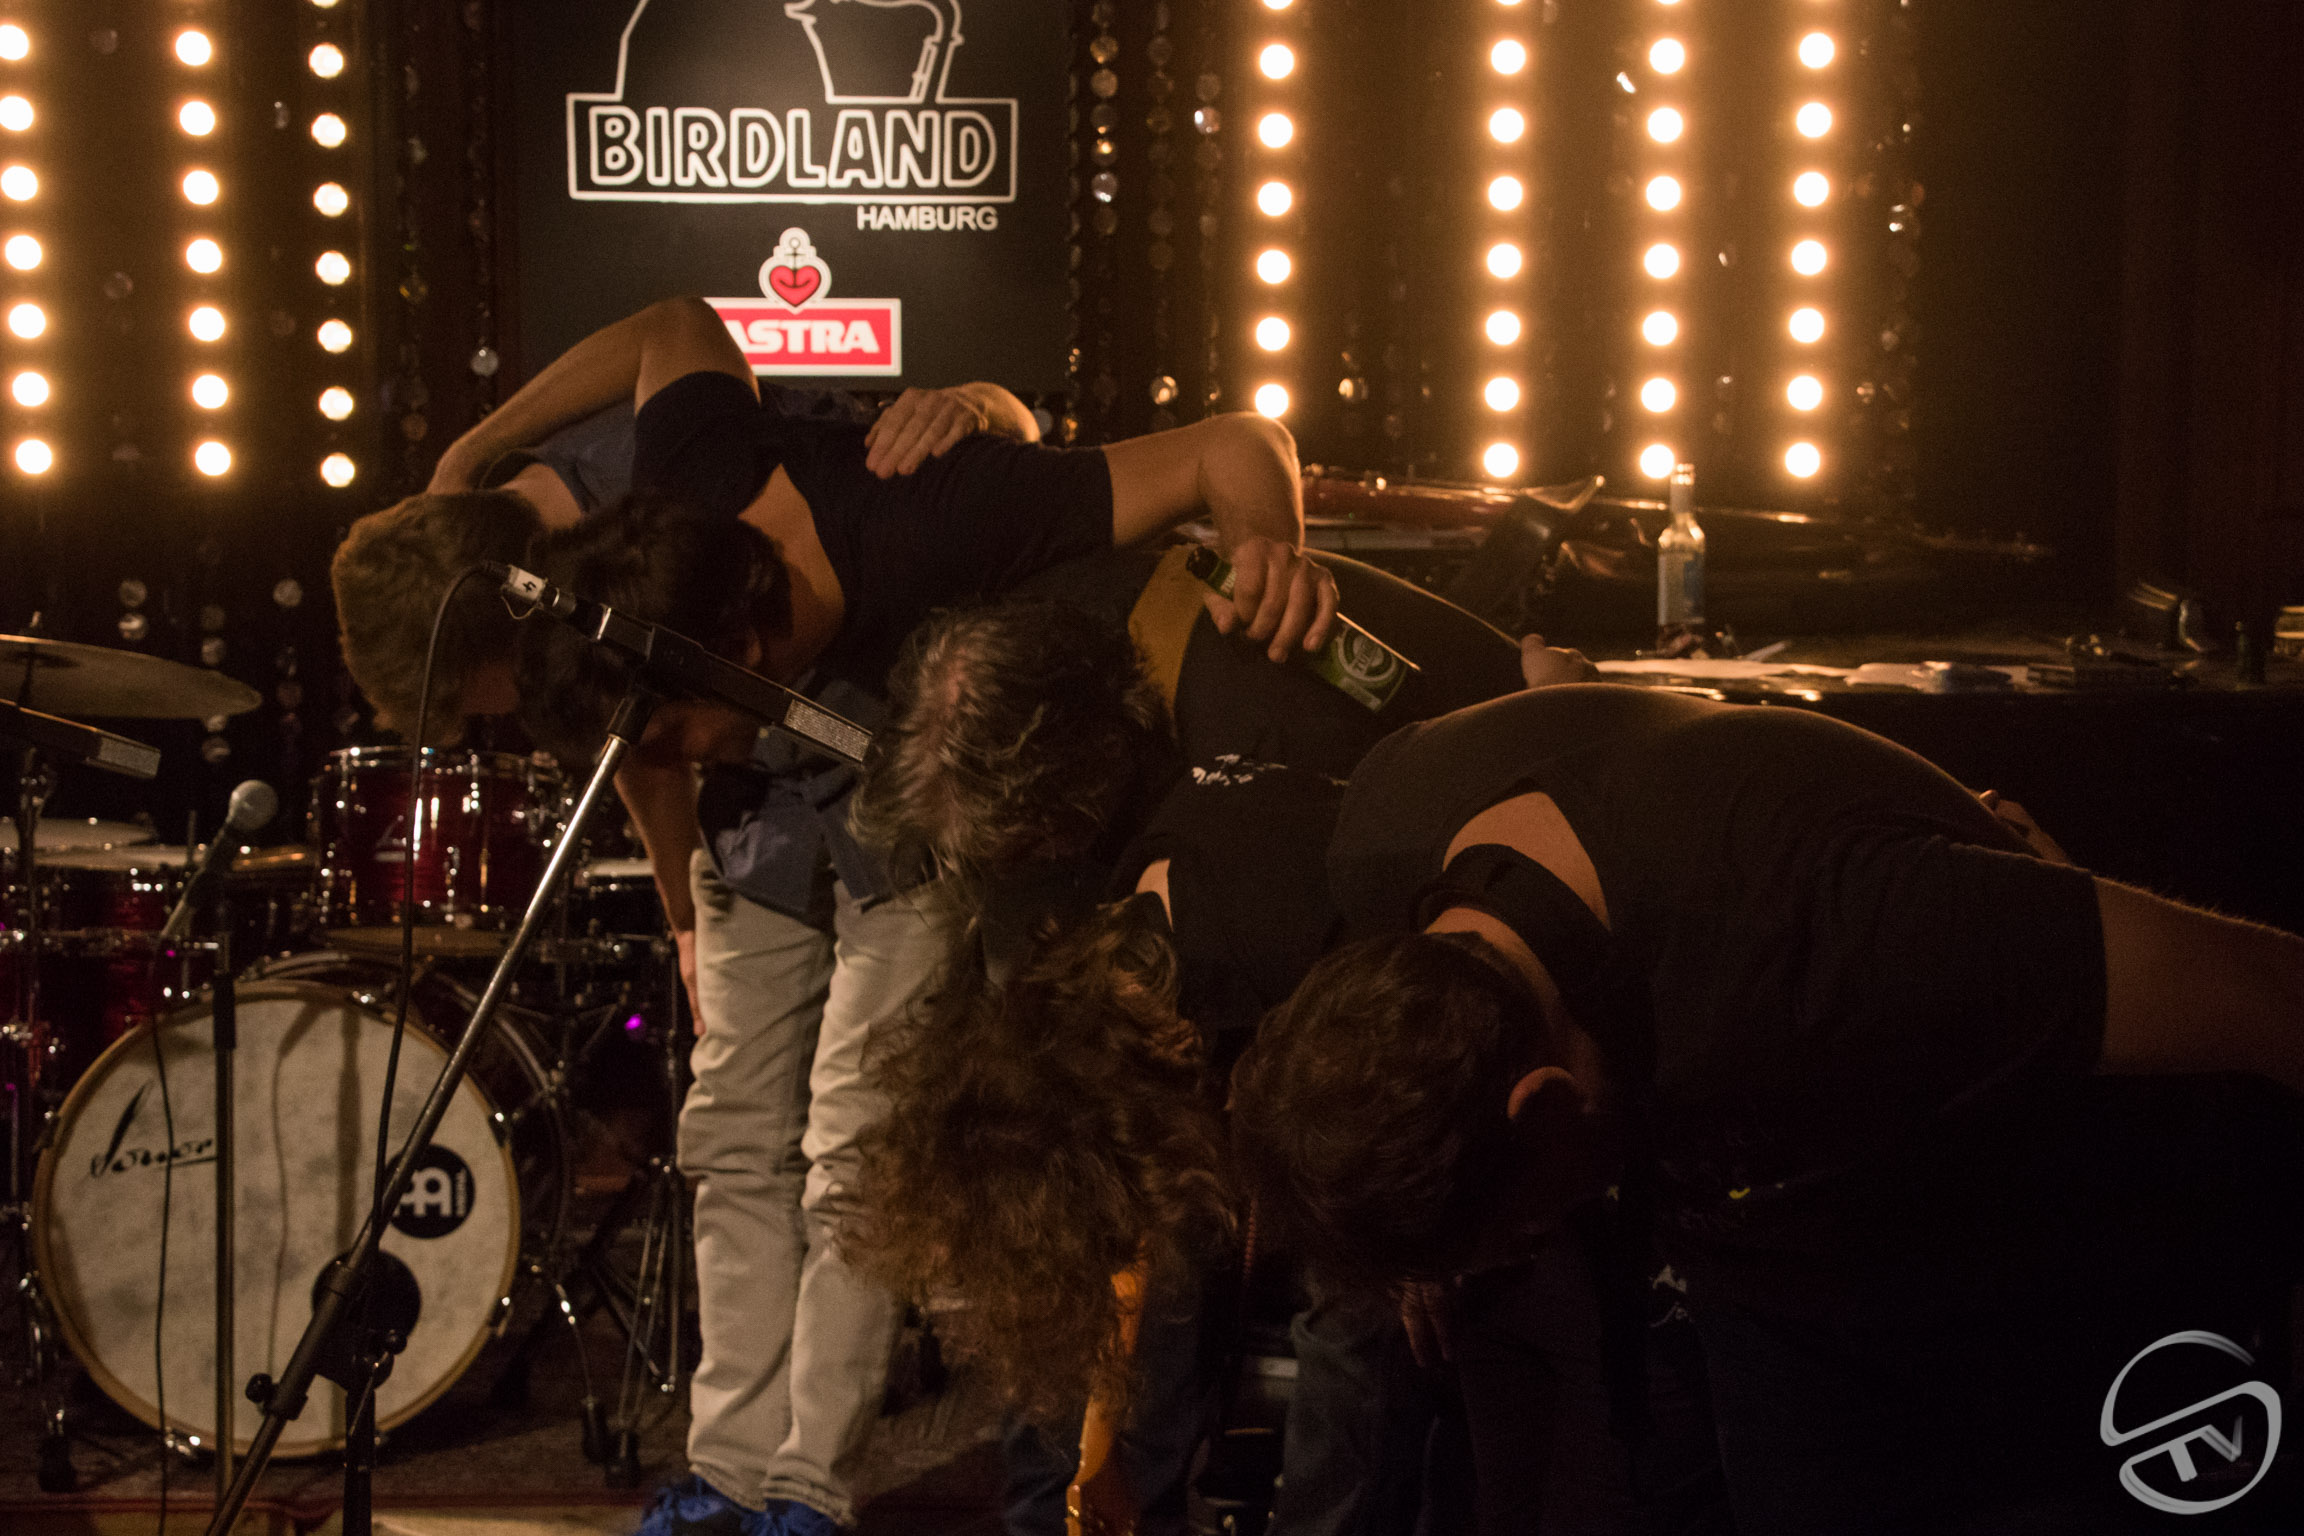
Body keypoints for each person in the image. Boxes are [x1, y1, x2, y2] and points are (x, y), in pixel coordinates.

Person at [333, 294, 1342, 1536]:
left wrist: (1267, 548)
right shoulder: (673, 503)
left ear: (739, 654)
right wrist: (682, 912)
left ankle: (809, 1485)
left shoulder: (922, 515)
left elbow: (1234, 443)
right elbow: (676, 336)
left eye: (668, 730)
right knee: (731, 1134)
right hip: (763, 832)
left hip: (899, 816)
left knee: (855, 1141)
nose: (651, 753)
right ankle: (725, 1470)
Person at [1230, 684, 2304, 1533]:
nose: (1510, 1257)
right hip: (1783, 1255)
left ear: (1545, 1103)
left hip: (2055, 1254)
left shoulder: (1830, 935)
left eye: (1516, 1233)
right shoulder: (1390, 844)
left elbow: (2276, 996)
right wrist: (1419, 1233)